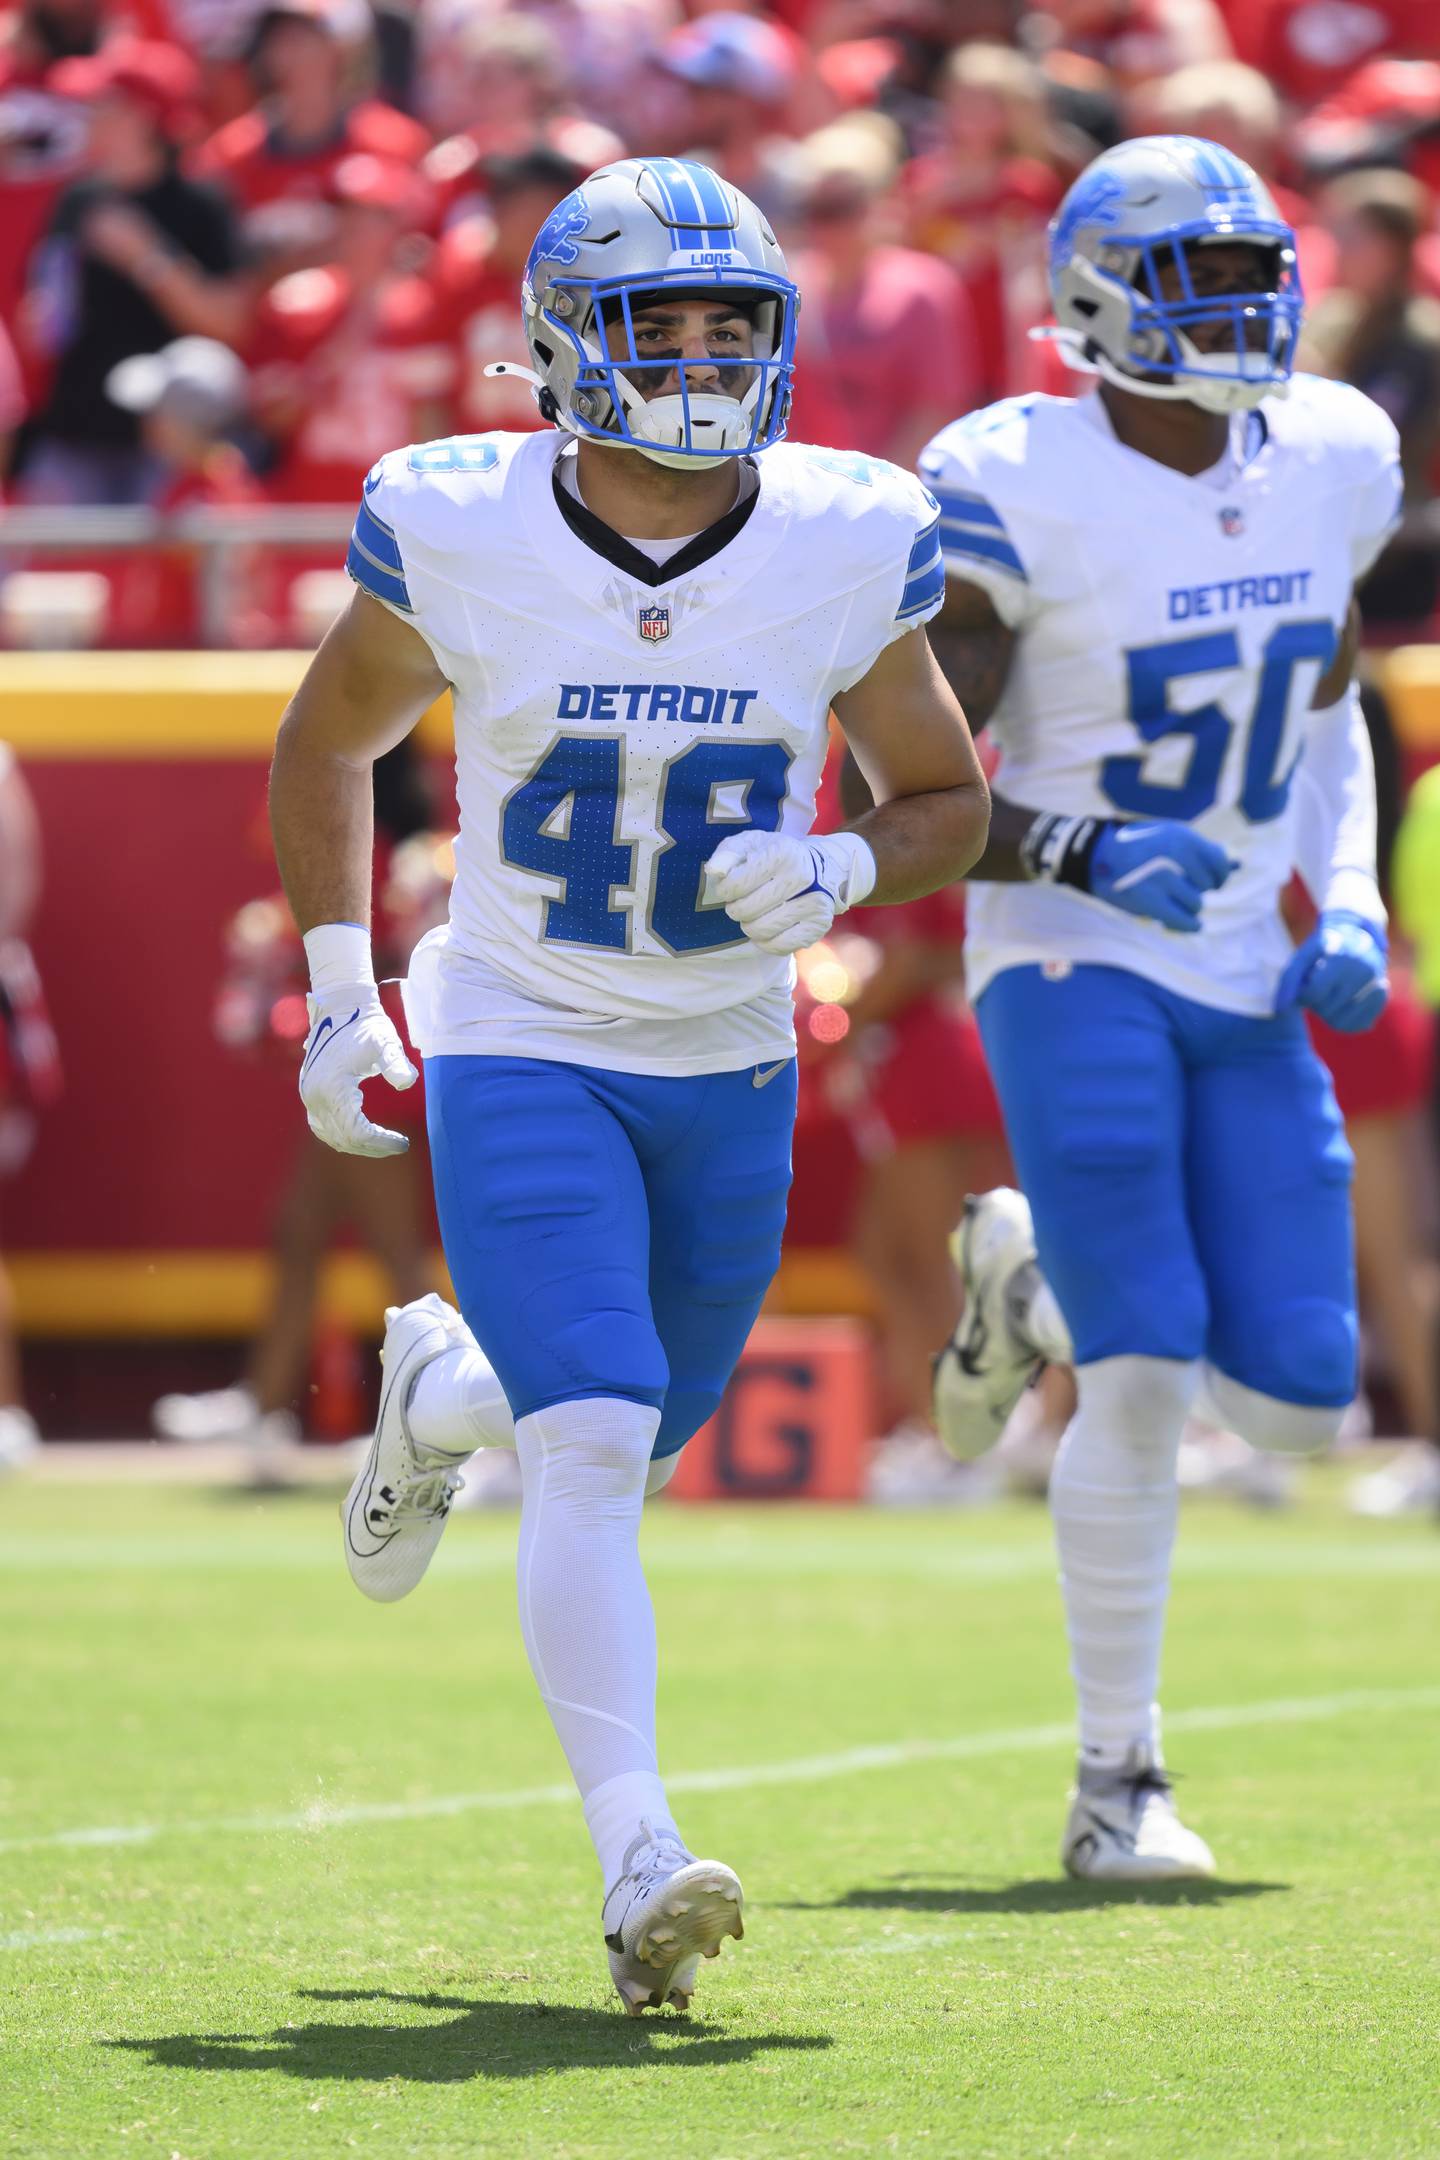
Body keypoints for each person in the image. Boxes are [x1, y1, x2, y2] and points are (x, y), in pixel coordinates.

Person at [267, 155, 989, 2011]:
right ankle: (639, 1853)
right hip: (520, 1021)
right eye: (651, 323)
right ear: (558, 342)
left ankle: (440, 1394)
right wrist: (344, 993)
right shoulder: (461, 517)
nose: (691, 359)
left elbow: (945, 799)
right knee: (592, 1451)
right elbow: (331, 736)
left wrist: (842, 869)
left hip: (728, 1049)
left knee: (632, 1433)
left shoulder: (844, 530)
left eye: (727, 323)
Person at [915, 136, 1398, 1880]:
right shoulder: (1012, 476)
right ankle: (1119, 1784)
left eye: (1254, 268)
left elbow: (1337, 698)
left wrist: (1343, 892)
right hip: (1068, 948)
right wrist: (1080, 844)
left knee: (1294, 1404)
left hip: (1246, 963)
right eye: (1195, 275)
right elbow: (904, 773)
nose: (1241, 307)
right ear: (1099, 298)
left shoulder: (1335, 447)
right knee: (1145, 1374)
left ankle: (1025, 1280)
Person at [18, 36, 245, 506]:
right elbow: (45, 314)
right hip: (75, 436)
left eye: (103, 104)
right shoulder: (77, 199)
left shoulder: (200, 203)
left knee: (158, 581)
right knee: (59, 578)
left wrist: (147, 257)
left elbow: (229, 321)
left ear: (142, 115)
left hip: (168, 448)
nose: (87, 115)